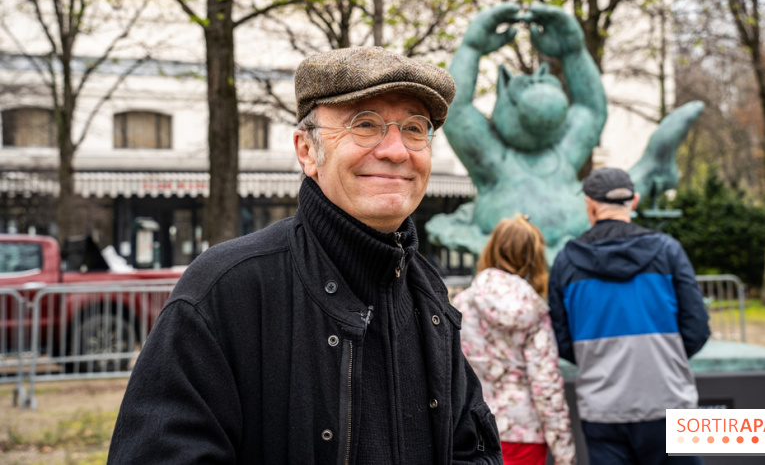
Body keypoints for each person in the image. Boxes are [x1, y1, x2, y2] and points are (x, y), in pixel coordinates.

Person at [107, 46, 503, 464]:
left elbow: (471, 449)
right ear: (307, 151)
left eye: (415, 128)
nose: (396, 150)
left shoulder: (427, 292)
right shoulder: (225, 290)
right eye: (365, 124)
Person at [548, 167, 711, 465]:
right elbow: (697, 328)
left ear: (590, 204)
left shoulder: (566, 261)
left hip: (602, 407)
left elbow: (561, 338)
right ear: (634, 201)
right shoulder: (668, 251)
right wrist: (664, 356)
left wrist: (600, 359)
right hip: (667, 400)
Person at [454, 214, 576, 465]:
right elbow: (546, 385)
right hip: (524, 434)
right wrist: (565, 453)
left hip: (472, 430)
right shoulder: (534, 310)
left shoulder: (462, 304)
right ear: (533, 257)